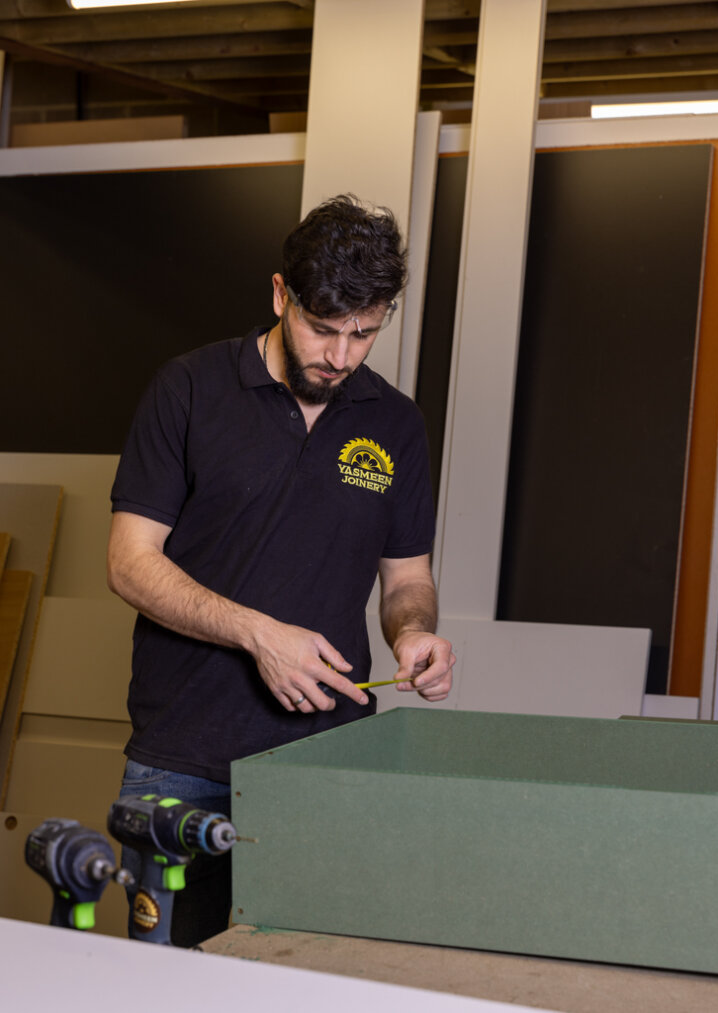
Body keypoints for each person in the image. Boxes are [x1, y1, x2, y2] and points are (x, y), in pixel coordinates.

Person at [107, 194, 455, 947]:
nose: (341, 354)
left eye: (365, 332)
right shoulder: (190, 391)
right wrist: (258, 634)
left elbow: (406, 579)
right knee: (162, 986)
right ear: (279, 294)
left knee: (303, 982)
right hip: (183, 760)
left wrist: (417, 633)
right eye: (323, 328)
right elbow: (130, 564)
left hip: (322, 766)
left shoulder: (396, 424)